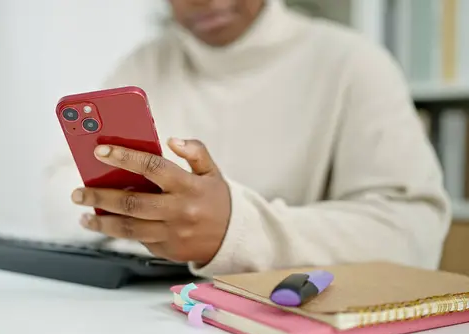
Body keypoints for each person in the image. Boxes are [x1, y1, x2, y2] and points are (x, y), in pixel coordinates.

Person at [43, 0, 450, 277]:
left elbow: (410, 235)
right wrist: (148, 214)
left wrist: (236, 232)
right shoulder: (146, 62)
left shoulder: (355, 63)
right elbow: (61, 191)